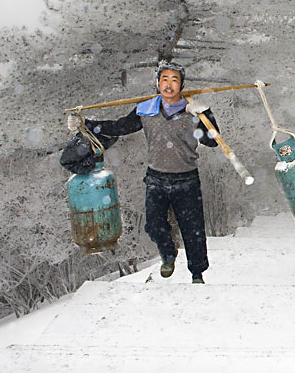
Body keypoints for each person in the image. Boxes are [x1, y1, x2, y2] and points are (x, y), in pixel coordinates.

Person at [67, 60, 219, 284]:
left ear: (181, 85)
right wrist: (85, 124)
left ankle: (197, 274)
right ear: (158, 83)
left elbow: (212, 141)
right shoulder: (146, 110)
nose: (169, 84)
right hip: (156, 178)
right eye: (164, 79)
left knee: (193, 229)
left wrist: (206, 115)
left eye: (174, 80)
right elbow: (118, 127)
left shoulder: (192, 112)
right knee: (154, 225)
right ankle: (168, 254)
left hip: (186, 179)